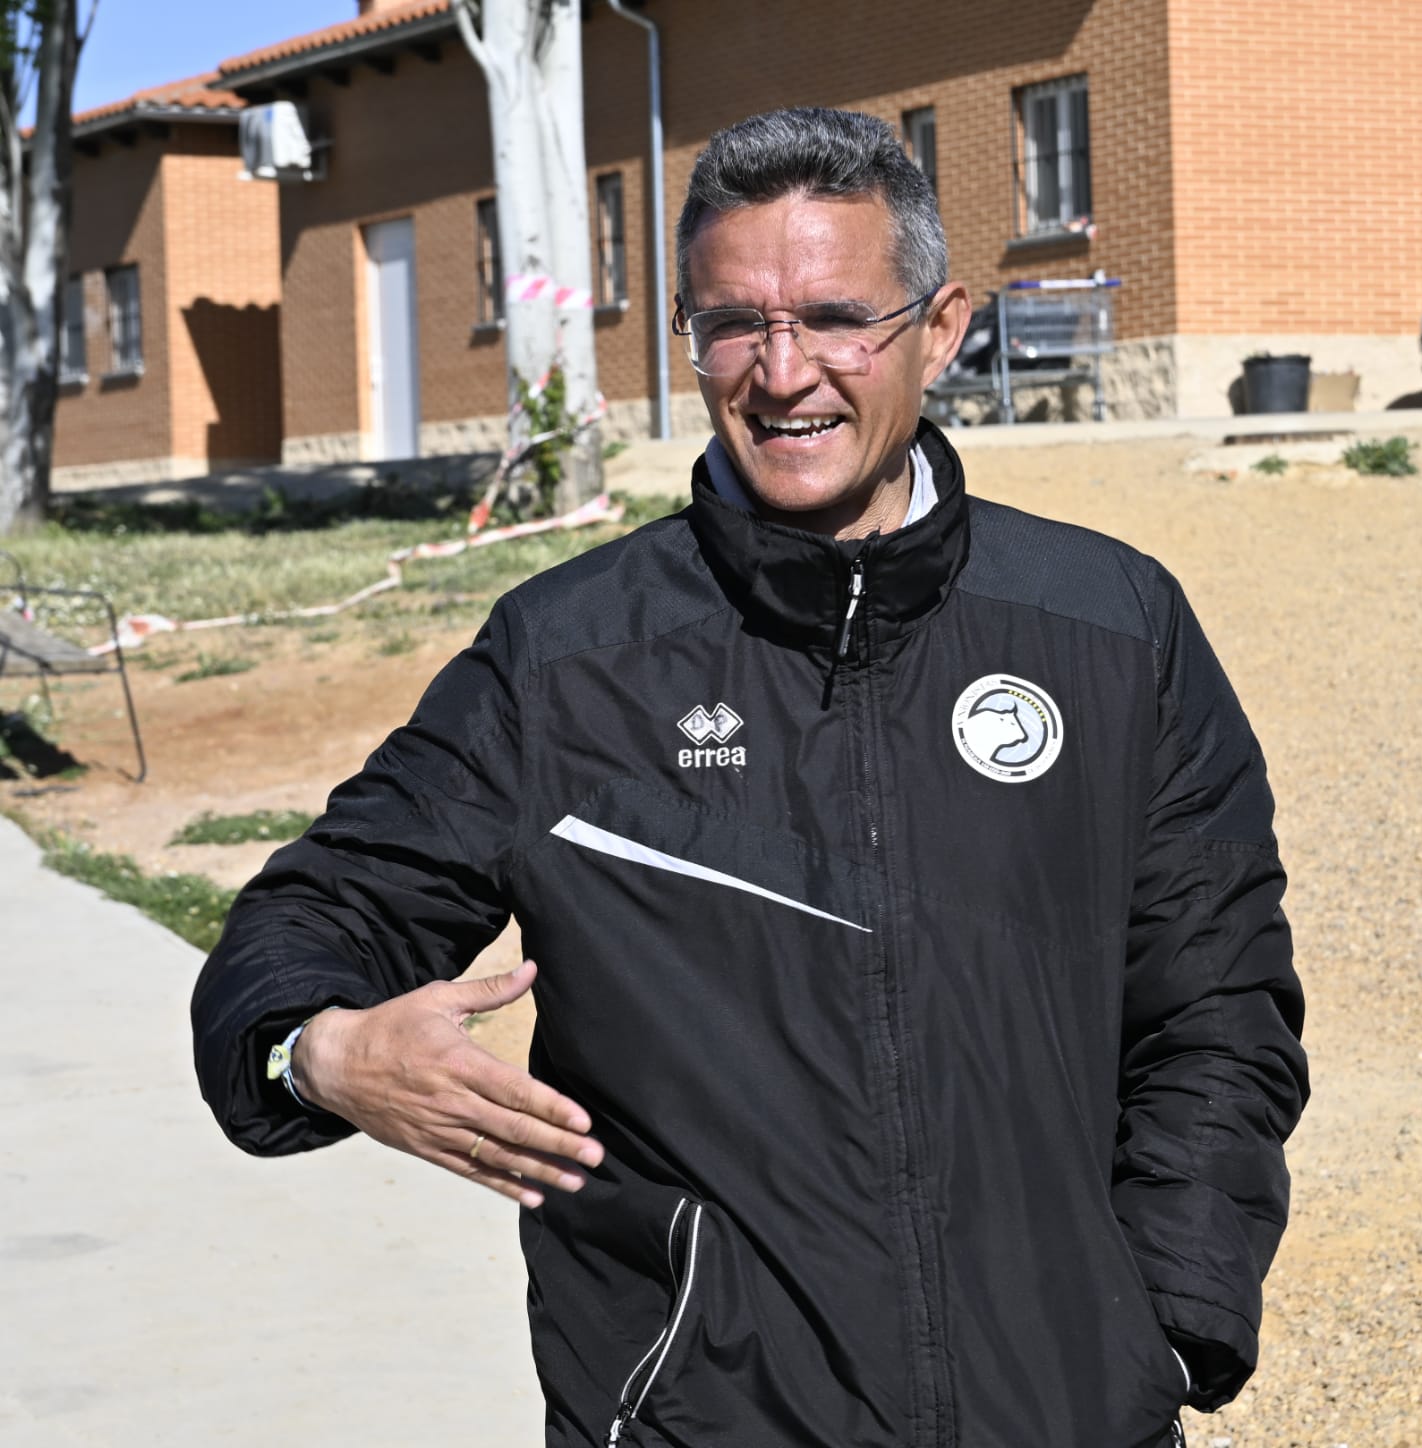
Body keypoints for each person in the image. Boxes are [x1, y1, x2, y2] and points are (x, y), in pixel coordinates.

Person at [192, 107, 1308, 1448]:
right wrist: (322, 1052)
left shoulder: (1112, 628)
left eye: (838, 315)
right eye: (734, 324)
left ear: (940, 329)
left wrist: (1162, 1327)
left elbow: (1221, 1008)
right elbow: (307, 924)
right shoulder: (567, 663)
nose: (785, 374)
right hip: (704, 1420)